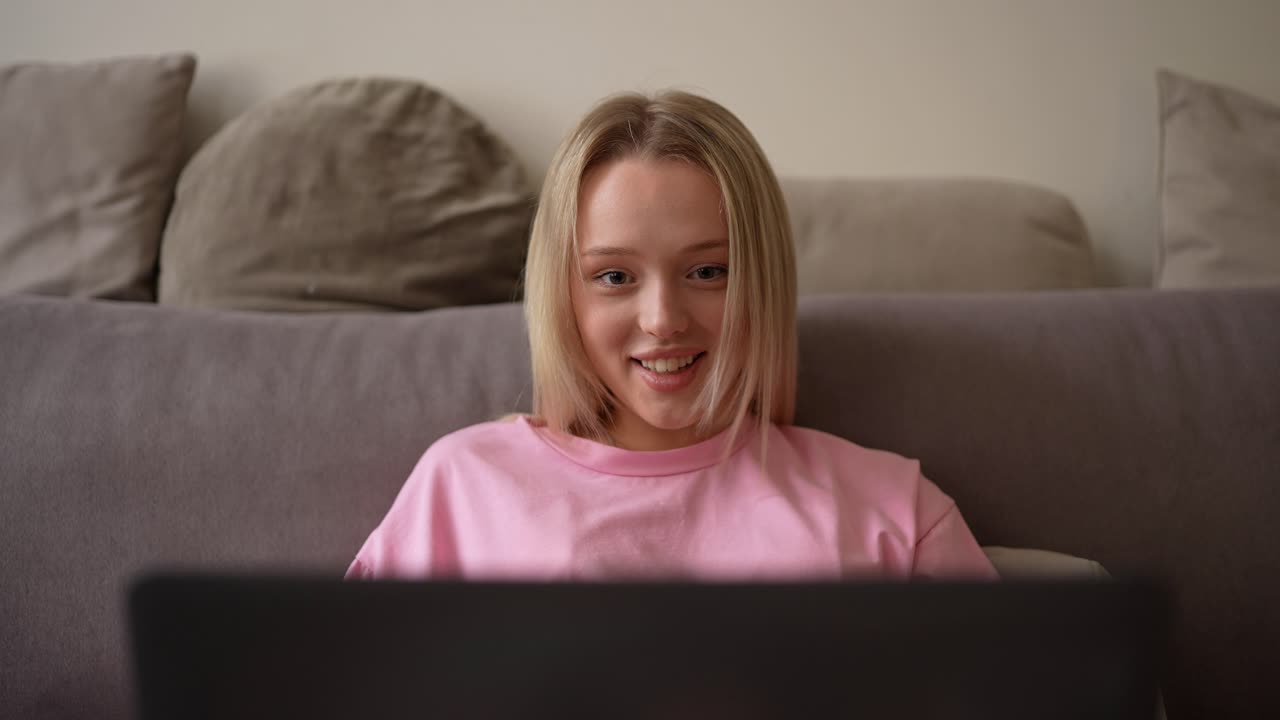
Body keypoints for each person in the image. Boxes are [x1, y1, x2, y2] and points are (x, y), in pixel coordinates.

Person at [347, 90, 997, 581]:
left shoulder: (895, 515)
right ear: (562, 294)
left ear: (761, 279)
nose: (663, 319)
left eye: (708, 271)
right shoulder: (462, 488)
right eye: (614, 276)